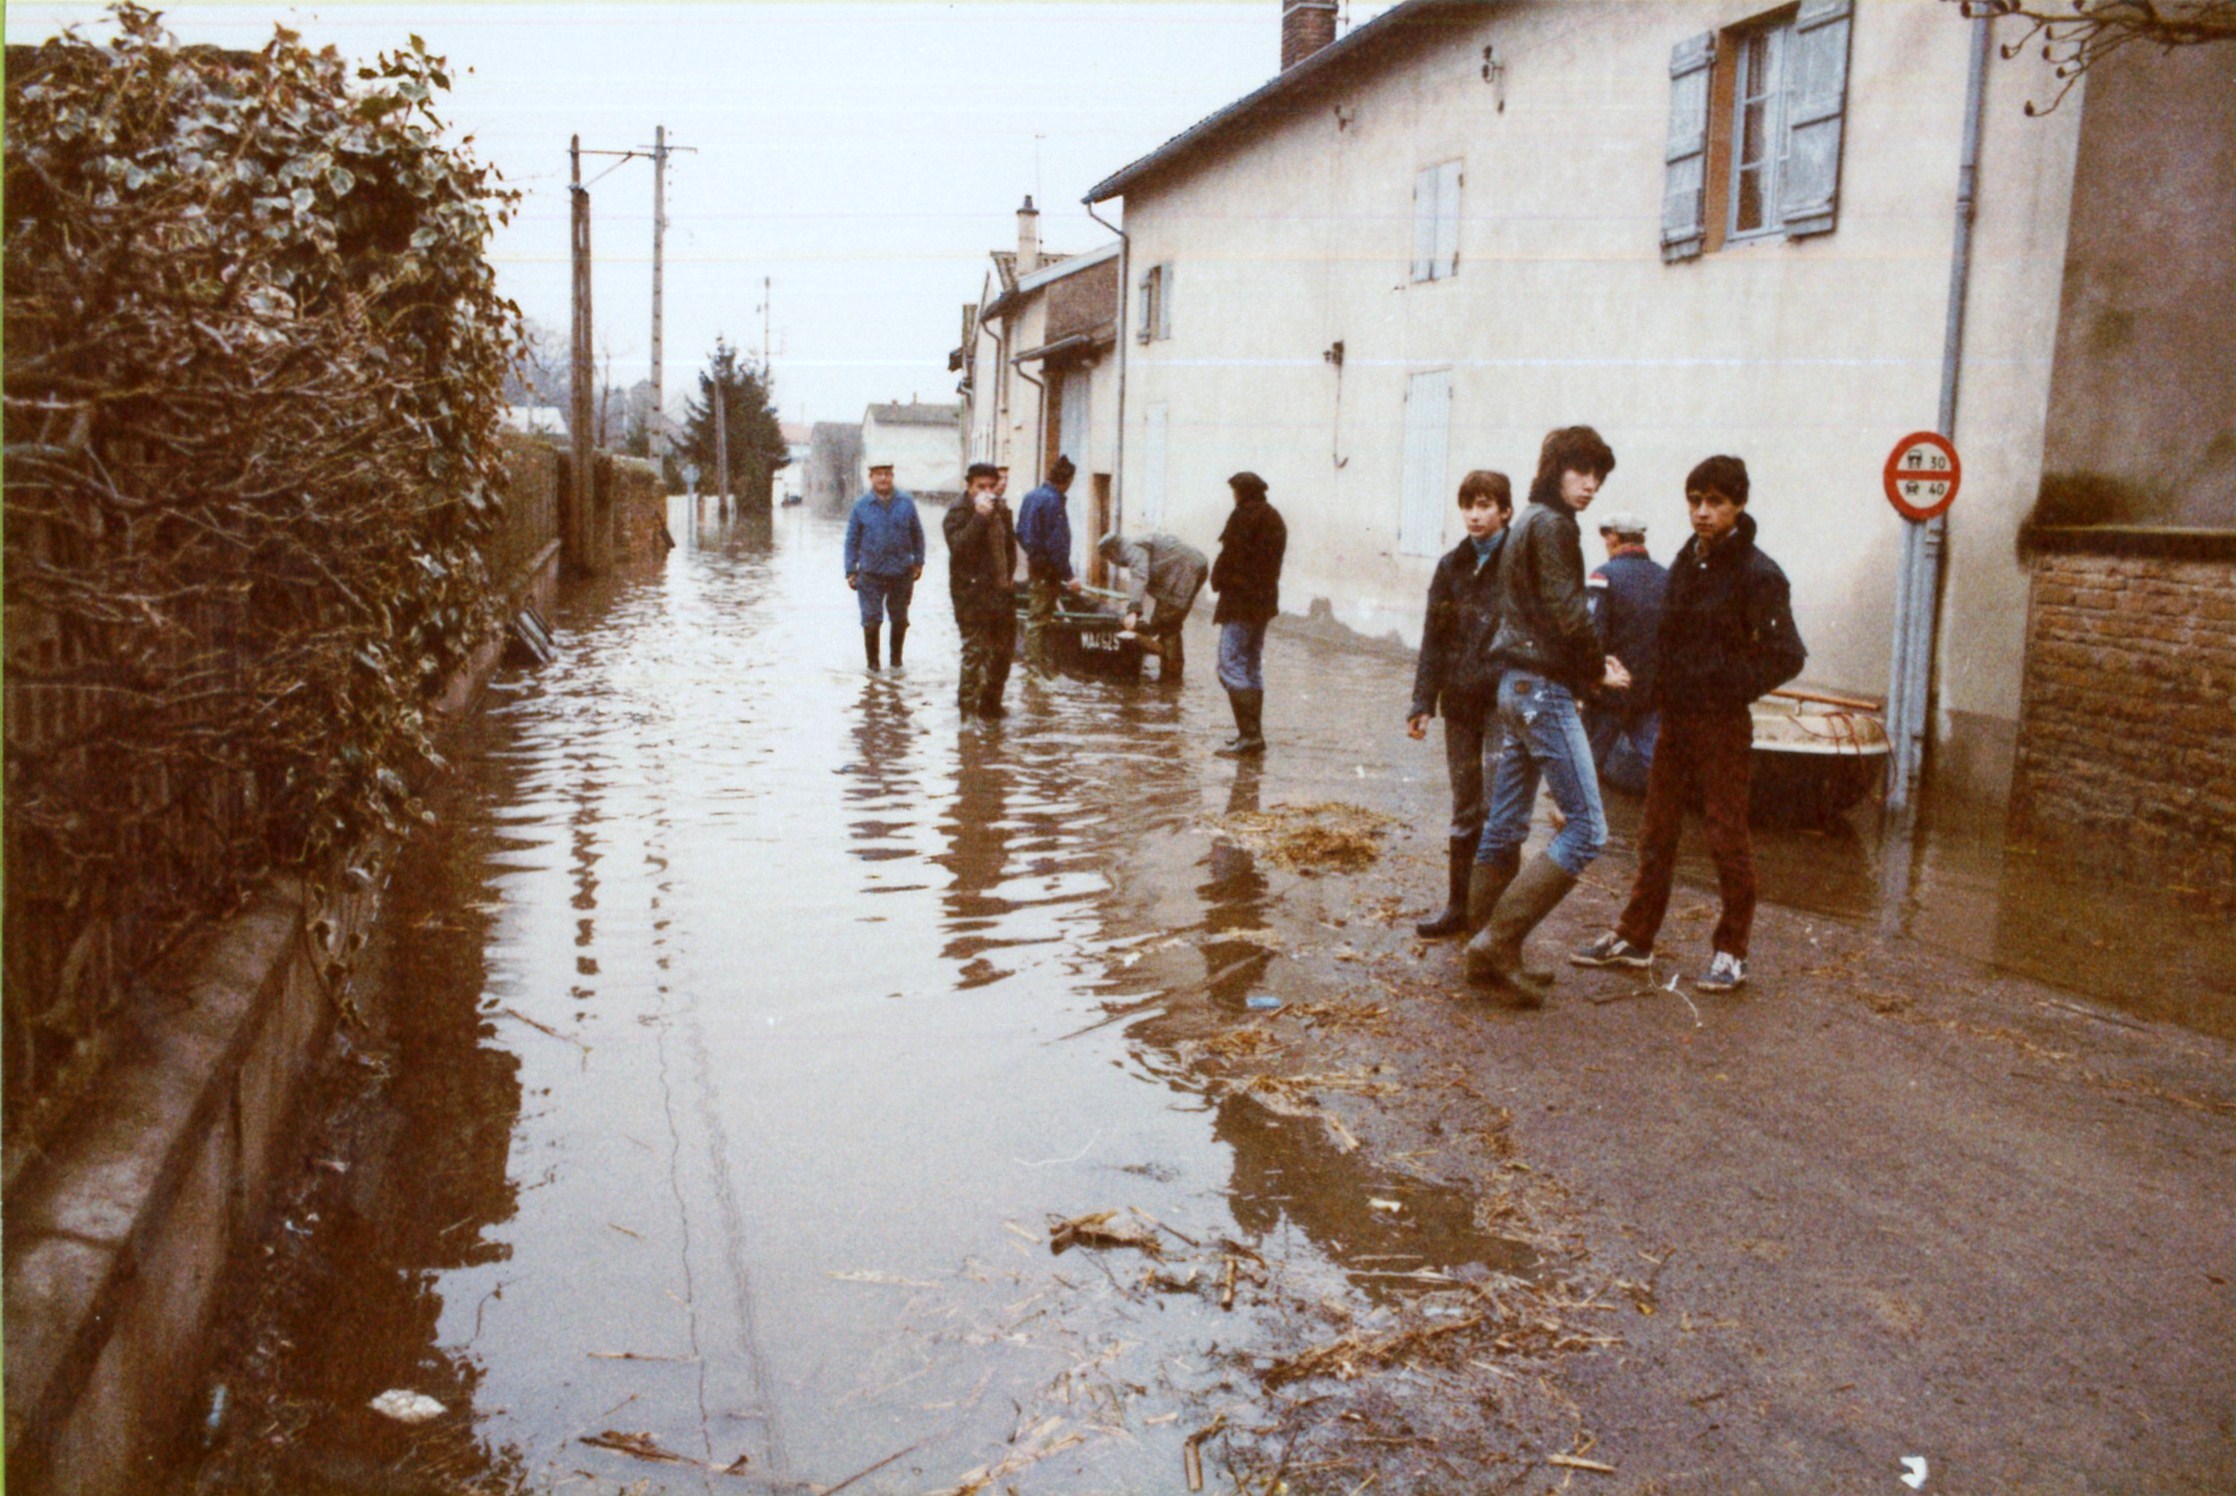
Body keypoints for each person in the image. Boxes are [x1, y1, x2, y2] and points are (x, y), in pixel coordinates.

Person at [1572, 456, 1806, 993]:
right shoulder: (1687, 561)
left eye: (1716, 502)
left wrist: (1726, 686)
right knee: (1656, 830)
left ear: (1739, 504)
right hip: (1673, 718)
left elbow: (1786, 654)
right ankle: (1636, 938)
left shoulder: (1759, 573)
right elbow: (1668, 640)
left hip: (1721, 722)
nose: (1702, 513)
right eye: (1695, 501)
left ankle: (1731, 952)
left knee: (1726, 835)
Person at [1463, 426, 1630, 1003]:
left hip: (1514, 686)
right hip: (1543, 692)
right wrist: (1596, 670)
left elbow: (1540, 613)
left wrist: (1584, 658)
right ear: (1556, 467)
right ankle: (1497, 945)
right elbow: (1566, 611)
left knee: (1506, 822)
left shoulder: (1528, 519)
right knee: (1588, 830)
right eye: (1582, 471)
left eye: (1599, 477)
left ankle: (1483, 948)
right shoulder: (1554, 525)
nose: (1591, 485)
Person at [1406, 471, 1514, 938]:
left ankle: (1494, 918)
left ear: (1505, 511)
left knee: (1499, 808)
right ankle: (1458, 908)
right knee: (1465, 806)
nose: (1474, 514)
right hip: (1462, 705)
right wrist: (1422, 700)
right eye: (1468, 504)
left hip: (1506, 704)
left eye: (1485, 504)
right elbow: (1434, 636)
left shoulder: (1520, 562)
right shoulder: (1452, 566)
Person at [1582, 510, 1669, 794]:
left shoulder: (1603, 576)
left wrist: (1591, 678)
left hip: (1610, 690)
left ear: (1614, 538)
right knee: (1658, 763)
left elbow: (1592, 634)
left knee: (1585, 765)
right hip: (1651, 691)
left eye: (1606, 537)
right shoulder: (1667, 578)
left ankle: (1573, 824)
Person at [1208, 471, 1286, 757]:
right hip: (1263, 604)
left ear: (1242, 492)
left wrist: (1218, 580)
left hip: (1240, 603)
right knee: (1251, 664)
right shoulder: (1274, 518)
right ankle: (1253, 735)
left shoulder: (1243, 516)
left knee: (1229, 664)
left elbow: (1231, 557)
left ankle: (1249, 735)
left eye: (1235, 491)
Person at [943, 460, 1020, 719]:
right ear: (969, 486)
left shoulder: (1002, 509)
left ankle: (990, 706)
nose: (986, 491)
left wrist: (1009, 577)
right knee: (975, 653)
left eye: (991, 486)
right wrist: (979, 518)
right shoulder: (958, 512)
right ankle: (967, 713)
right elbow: (959, 549)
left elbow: (1010, 547)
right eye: (980, 486)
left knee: (1002, 654)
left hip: (1001, 594)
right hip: (970, 596)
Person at [843, 462, 925, 671]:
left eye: (887, 474)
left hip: (901, 572)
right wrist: (850, 570)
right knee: (871, 620)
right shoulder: (861, 506)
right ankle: (873, 668)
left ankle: (896, 664)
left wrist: (919, 562)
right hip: (870, 572)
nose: (883, 479)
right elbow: (851, 540)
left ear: (892, 476)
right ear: (871, 478)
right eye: (878, 474)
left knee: (899, 619)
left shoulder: (906, 503)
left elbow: (918, 535)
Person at [1096, 529, 1209, 683]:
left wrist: (1133, 611)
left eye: (1110, 559)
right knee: (1170, 625)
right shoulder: (1137, 543)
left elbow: (1140, 575)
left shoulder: (1130, 548)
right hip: (1195, 567)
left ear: (1112, 552)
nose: (1113, 563)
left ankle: (1170, 678)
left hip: (1183, 573)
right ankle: (1171, 675)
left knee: (1164, 623)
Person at [1016, 456, 1082, 677]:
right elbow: (1058, 544)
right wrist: (1070, 575)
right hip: (1049, 570)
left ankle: (1039, 665)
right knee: (1039, 619)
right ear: (1068, 480)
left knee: (1039, 616)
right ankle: (1035, 670)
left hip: (1036, 566)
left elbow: (1020, 533)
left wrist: (1034, 555)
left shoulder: (1030, 496)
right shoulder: (1054, 502)